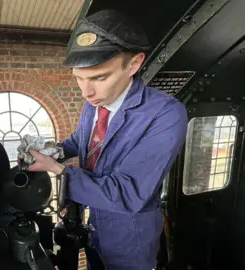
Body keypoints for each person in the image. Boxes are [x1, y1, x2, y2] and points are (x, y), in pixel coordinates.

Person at [25, 9, 188, 270]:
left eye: (99, 78)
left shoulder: (166, 114)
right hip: (92, 227)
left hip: (128, 238)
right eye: (79, 79)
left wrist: (58, 170)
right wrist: (54, 151)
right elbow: (82, 139)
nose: (86, 91)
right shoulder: (94, 104)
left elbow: (129, 193)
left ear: (133, 64)